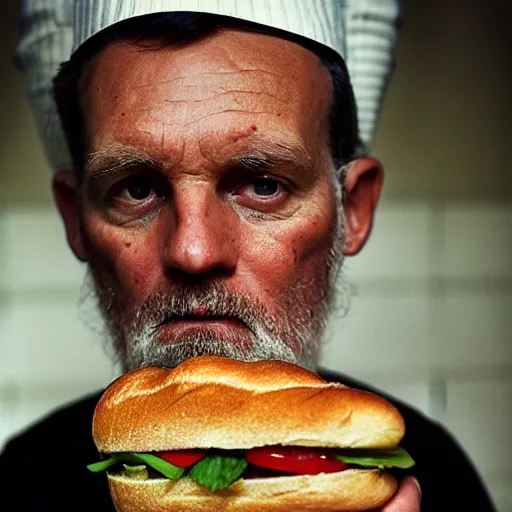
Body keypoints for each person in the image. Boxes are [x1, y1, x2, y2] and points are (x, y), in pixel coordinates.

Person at [0, 2, 497, 511]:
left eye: (263, 185)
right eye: (138, 188)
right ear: (75, 220)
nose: (193, 252)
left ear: (353, 209)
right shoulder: (18, 485)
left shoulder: (440, 481)